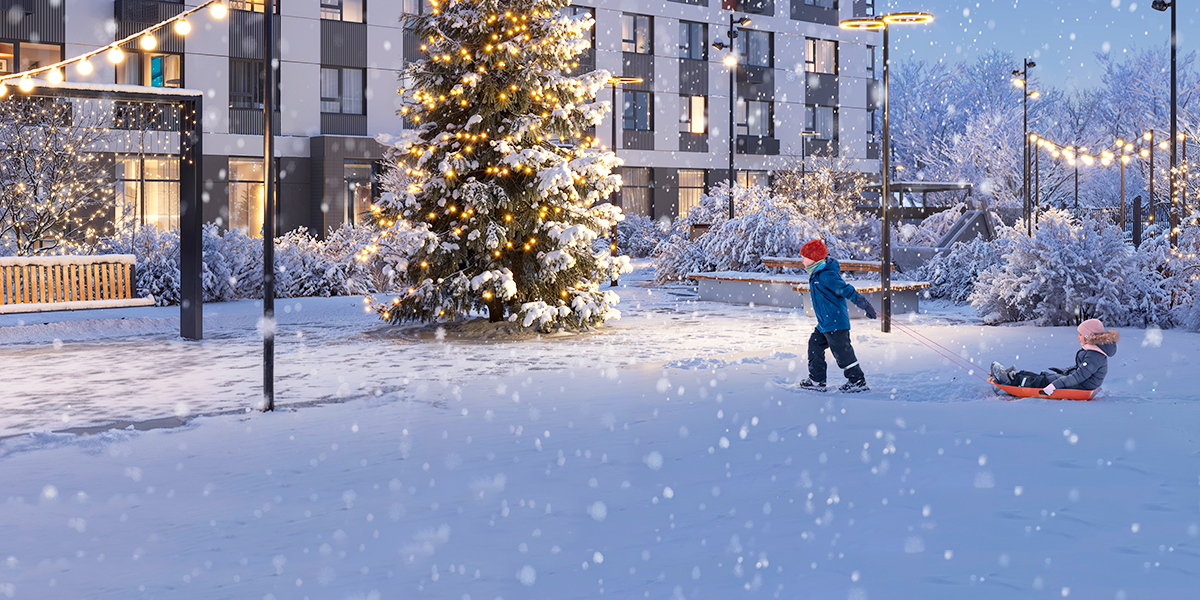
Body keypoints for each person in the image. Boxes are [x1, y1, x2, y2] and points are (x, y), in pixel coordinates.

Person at [796, 239, 878, 393]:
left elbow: (847, 290)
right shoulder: (817, 274)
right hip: (824, 323)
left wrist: (864, 304)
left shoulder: (826, 275)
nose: (802, 260)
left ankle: (857, 381)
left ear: (814, 258)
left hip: (835, 322)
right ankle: (817, 380)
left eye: (804, 257)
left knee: (843, 353)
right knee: (814, 345)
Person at [990, 318, 1119, 395]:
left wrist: (1055, 385)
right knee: (1044, 376)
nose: (1078, 337)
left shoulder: (1094, 356)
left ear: (1087, 336)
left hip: (1080, 385)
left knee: (1043, 381)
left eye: (1080, 334)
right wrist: (1064, 371)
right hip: (1080, 382)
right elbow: (1080, 369)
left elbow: (1078, 377)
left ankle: (1011, 381)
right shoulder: (1093, 352)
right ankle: (1015, 375)